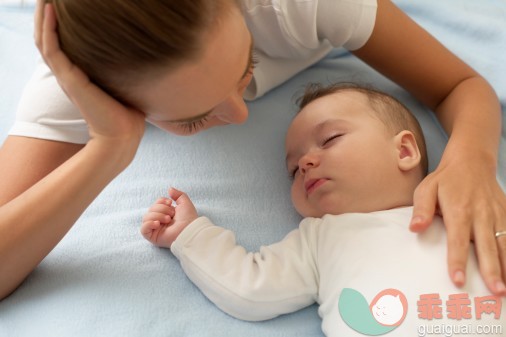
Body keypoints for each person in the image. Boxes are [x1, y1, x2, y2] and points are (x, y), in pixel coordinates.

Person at [0, 0, 505, 300]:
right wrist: (109, 147)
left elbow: (459, 83)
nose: (241, 114)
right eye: (192, 118)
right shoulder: (70, 89)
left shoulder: (300, 7)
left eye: (246, 64)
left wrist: (472, 160)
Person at [140, 84, 505, 336]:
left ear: (405, 152)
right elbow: (250, 288)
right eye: (293, 170)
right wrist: (190, 234)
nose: (307, 164)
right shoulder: (319, 239)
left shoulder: (455, 199)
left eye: (329, 140)